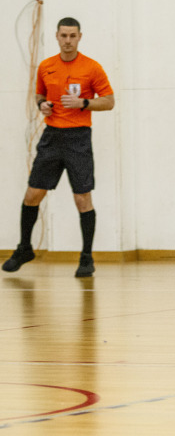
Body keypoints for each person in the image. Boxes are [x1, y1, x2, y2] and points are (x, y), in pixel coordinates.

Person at [2, 17, 115, 278]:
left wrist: (84, 104)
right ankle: (24, 248)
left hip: (78, 139)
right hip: (52, 137)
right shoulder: (46, 66)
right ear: (56, 36)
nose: (67, 41)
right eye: (63, 36)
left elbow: (109, 101)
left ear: (79, 37)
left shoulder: (92, 68)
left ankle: (86, 257)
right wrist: (42, 104)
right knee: (32, 195)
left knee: (82, 198)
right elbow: (40, 95)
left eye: (72, 36)